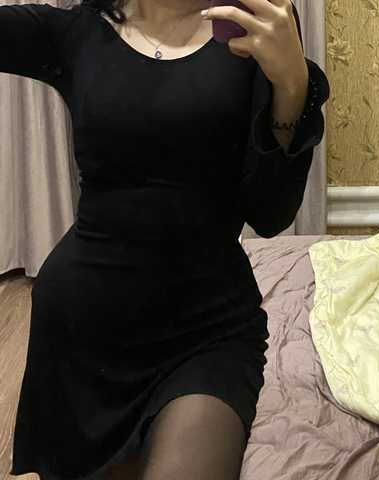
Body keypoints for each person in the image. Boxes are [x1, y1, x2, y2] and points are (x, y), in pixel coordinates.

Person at [0, 0, 329, 478]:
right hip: (82, 336)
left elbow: (270, 214)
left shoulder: (252, 24)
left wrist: (292, 84)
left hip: (206, 332)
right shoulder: (78, 30)